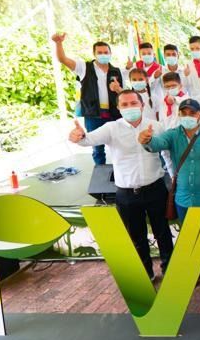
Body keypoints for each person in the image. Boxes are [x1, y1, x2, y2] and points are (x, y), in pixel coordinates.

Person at [69, 89, 173, 278]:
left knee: (163, 234)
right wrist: (77, 136)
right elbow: (87, 140)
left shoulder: (156, 126)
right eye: (124, 104)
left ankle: (170, 271)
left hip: (156, 189)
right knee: (137, 238)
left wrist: (174, 178)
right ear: (118, 108)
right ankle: (146, 274)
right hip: (127, 194)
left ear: (142, 105)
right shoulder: (111, 128)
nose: (130, 107)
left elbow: (166, 153)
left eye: (134, 103)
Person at [140, 99, 200, 292]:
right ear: (179, 115)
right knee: (190, 237)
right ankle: (197, 271)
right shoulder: (172, 135)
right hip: (183, 199)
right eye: (184, 113)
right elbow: (158, 143)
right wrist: (148, 140)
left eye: (192, 113)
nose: (188, 117)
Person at [52, 32, 123, 165]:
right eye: (100, 52)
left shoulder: (117, 71)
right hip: (94, 114)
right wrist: (58, 43)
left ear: (110, 53)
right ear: (94, 54)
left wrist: (118, 89)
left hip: (114, 114)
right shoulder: (84, 67)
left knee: (118, 144)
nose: (103, 55)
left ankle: (119, 171)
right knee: (97, 147)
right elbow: (63, 59)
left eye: (106, 52)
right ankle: (100, 173)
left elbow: (125, 94)